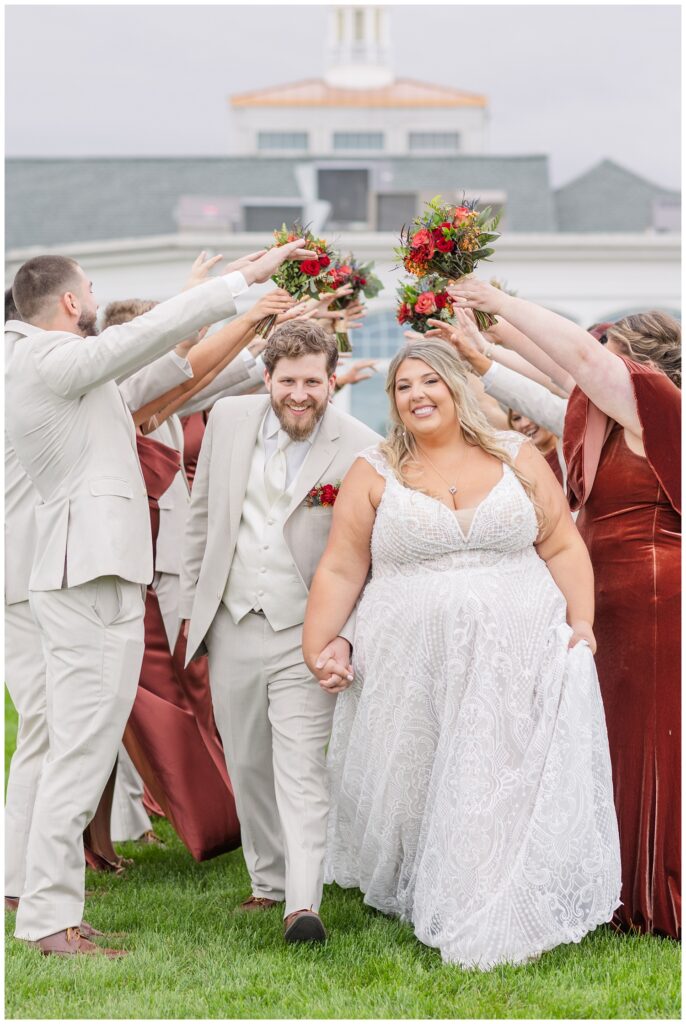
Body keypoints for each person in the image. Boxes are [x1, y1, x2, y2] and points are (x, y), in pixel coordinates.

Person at [5, 240, 312, 957]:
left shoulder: (67, 374)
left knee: (73, 745)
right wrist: (240, 283)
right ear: (73, 302)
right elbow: (139, 339)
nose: (95, 294)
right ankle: (49, 920)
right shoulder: (41, 357)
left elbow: (162, 375)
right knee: (78, 751)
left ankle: (49, 907)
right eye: (90, 286)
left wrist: (253, 317)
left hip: (95, 571)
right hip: (83, 574)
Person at [302, 338, 621, 969]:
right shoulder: (375, 469)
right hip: (412, 658)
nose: (417, 395)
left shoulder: (517, 456)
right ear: (393, 402)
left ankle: (488, 888)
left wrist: (581, 622)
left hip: (517, 649)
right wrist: (320, 644)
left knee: (495, 764)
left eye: (429, 382)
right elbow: (342, 566)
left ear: (457, 388)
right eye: (402, 387)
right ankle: (429, 880)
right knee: (426, 771)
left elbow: (560, 544)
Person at [449, 279, 681, 940]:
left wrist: (498, 296)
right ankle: (615, 880)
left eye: (614, 353)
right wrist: (487, 337)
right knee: (609, 738)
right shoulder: (613, 422)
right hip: (609, 591)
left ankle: (656, 886)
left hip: (654, 594)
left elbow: (579, 361)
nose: (600, 362)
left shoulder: (661, 405)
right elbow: (558, 388)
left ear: (637, 362)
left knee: (646, 740)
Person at [179, 320, 380, 943]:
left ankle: (302, 903)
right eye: (287, 380)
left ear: (332, 380)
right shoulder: (229, 420)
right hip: (233, 621)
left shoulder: (361, 447)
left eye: (313, 381)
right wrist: (192, 610)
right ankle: (266, 882)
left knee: (299, 767)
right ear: (267, 378)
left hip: (307, 632)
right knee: (247, 762)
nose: (300, 393)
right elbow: (201, 518)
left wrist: (344, 634)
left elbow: (368, 559)